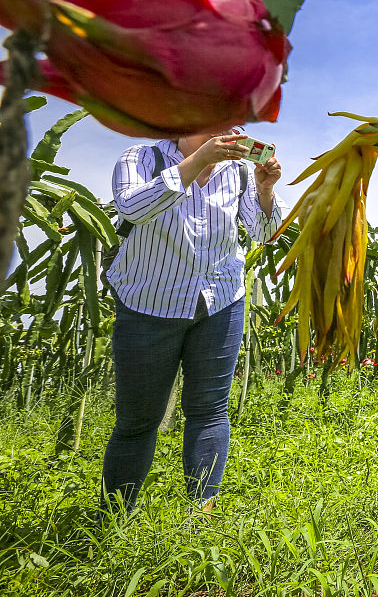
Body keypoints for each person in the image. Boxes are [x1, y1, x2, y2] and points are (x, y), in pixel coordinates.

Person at [100, 130, 286, 515]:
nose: (229, 131)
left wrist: (265, 190)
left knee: (210, 409)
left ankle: (202, 516)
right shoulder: (142, 157)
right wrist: (198, 160)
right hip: (148, 305)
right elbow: (133, 208)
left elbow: (265, 234)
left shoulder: (237, 173)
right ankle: (114, 520)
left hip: (220, 302)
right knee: (139, 419)